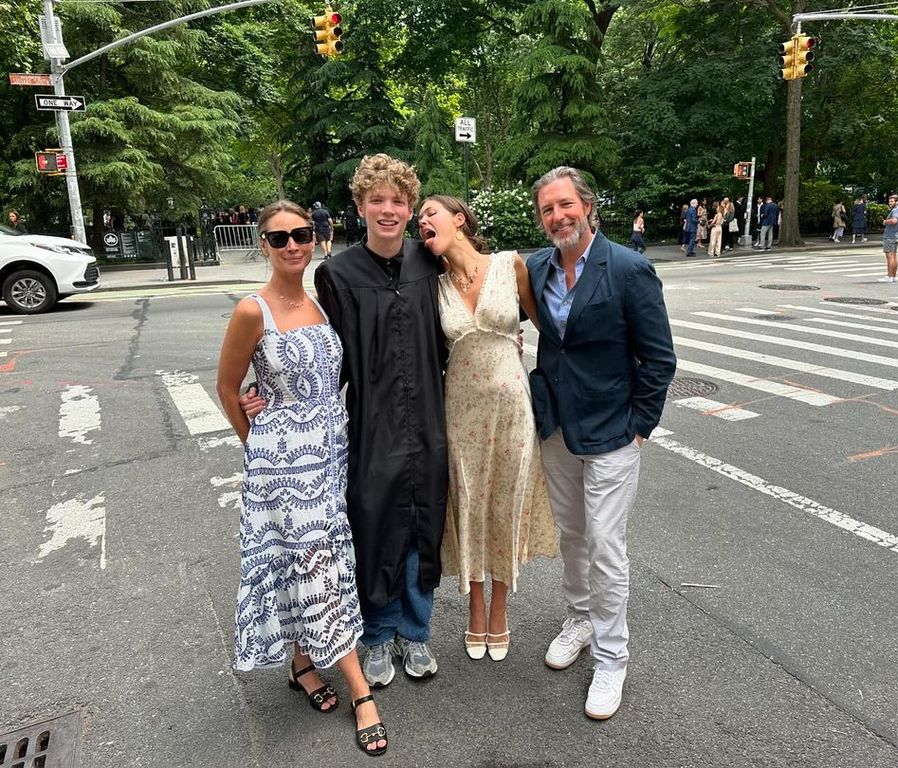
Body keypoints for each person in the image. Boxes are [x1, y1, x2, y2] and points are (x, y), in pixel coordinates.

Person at [241, 154, 448, 689]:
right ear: (359, 207)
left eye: (397, 200)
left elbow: (458, 328)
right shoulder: (338, 274)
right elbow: (318, 352)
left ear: (409, 208)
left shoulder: (431, 263)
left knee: (423, 522)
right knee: (374, 526)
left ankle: (416, 631)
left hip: (427, 419)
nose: (387, 209)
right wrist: (270, 396)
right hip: (369, 422)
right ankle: (377, 635)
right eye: (376, 199)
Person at [216, 200, 387, 756]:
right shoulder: (252, 310)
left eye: (302, 234)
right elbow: (227, 387)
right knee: (320, 567)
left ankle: (301, 663)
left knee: (309, 560)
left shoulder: (319, 303)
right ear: (262, 245)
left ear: (315, 238)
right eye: (280, 237)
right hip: (284, 467)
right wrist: (261, 447)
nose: (293, 244)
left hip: (329, 454)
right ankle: (361, 692)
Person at [526, 166, 676, 720]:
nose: (558, 216)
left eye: (566, 205)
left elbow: (659, 358)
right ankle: (580, 618)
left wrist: (641, 426)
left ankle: (612, 659)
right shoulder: (536, 267)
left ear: (588, 206)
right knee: (572, 535)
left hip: (614, 431)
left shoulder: (629, 268)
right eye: (548, 209)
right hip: (557, 427)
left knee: (607, 546)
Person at [417, 195, 558, 663]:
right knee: (470, 503)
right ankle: (475, 610)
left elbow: (550, 330)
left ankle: (500, 611)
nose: (421, 222)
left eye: (428, 213)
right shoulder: (432, 285)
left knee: (504, 503)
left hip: (512, 409)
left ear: (459, 220)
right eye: (419, 219)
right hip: (460, 411)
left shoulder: (508, 265)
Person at [880, 193, 898, 283]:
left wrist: (885, 221)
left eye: (891, 201)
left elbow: (894, 220)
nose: (889, 203)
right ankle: (894, 276)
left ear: (897, 202)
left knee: (889, 257)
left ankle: (889, 276)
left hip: (890, 236)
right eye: (889, 201)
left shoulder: (895, 211)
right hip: (896, 235)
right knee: (894, 256)